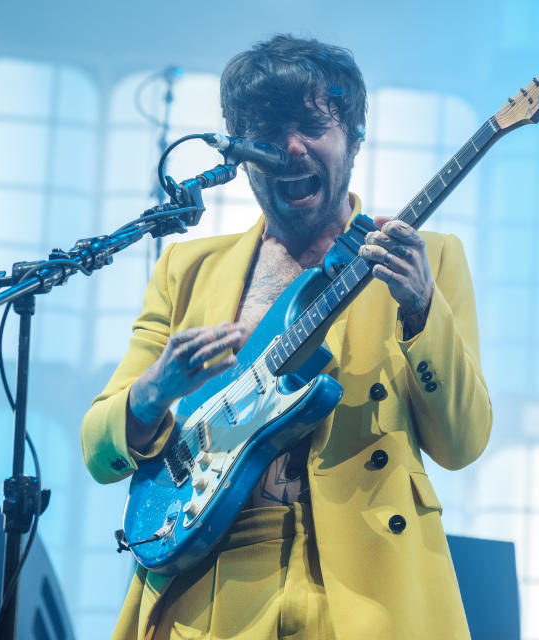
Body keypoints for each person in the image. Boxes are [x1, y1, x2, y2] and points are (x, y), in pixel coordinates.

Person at [81, 34, 492, 640]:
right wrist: (154, 390)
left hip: (362, 590)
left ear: (352, 139)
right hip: (205, 591)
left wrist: (421, 307)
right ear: (242, 152)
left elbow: (463, 442)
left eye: (311, 126)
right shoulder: (188, 270)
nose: (291, 148)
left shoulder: (427, 258)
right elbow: (98, 450)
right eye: (268, 133)